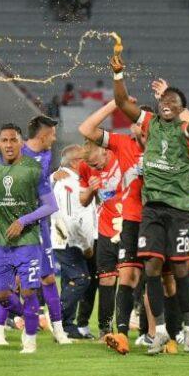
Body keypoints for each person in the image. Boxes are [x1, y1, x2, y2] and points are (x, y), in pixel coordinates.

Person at [111, 51, 189, 354]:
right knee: (152, 267)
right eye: (163, 101)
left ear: (182, 109)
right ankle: (155, 331)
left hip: (181, 210)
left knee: (181, 270)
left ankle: (187, 326)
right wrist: (119, 75)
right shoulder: (149, 123)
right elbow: (121, 103)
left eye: (173, 102)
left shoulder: (186, 131)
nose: (167, 105)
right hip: (152, 209)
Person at [79, 99, 152, 354]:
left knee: (161, 278)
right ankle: (120, 332)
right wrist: (115, 104)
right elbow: (87, 129)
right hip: (129, 220)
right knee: (127, 275)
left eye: (142, 122)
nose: (138, 127)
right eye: (136, 122)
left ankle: (163, 333)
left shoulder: (169, 145)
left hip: (161, 218)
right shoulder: (123, 144)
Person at [0, 124, 58, 354]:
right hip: (1, 242)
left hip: (28, 241)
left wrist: (24, 220)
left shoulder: (34, 169)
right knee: (1, 294)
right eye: (5, 140)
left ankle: (30, 342)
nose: (9, 144)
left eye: (13, 140)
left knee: (29, 292)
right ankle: (30, 317)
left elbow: (51, 206)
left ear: (21, 142)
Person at [19, 115, 72, 344]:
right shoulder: (17, 154)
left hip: (41, 225)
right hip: (19, 226)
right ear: (43, 135)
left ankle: (59, 330)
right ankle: (3, 329)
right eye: (52, 133)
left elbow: (42, 185)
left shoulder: (46, 154)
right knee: (18, 283)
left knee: (49, 278)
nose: (55, 137)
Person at [50, 145, 97, 339]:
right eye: (85, 158)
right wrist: (85, 246)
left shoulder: (73, 180)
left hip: (68, 238)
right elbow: (70, 219)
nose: (89, 161)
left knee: (71, 280)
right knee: (81, 279)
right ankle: (60, 323)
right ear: (76, 162)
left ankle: (67, 325)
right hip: (67, 239)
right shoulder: (69, 183)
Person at [78, 142, 123, 340]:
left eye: (96, 164)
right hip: (105, 229)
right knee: (106, 278)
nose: (93, 167)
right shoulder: (84, 166)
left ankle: (143, 329)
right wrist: (90, 190)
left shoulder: (121, 156)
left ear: (104, 151)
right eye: (90, 165)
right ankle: (105, 329)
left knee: (133, 278)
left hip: (129, 225)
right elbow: (83, 200)